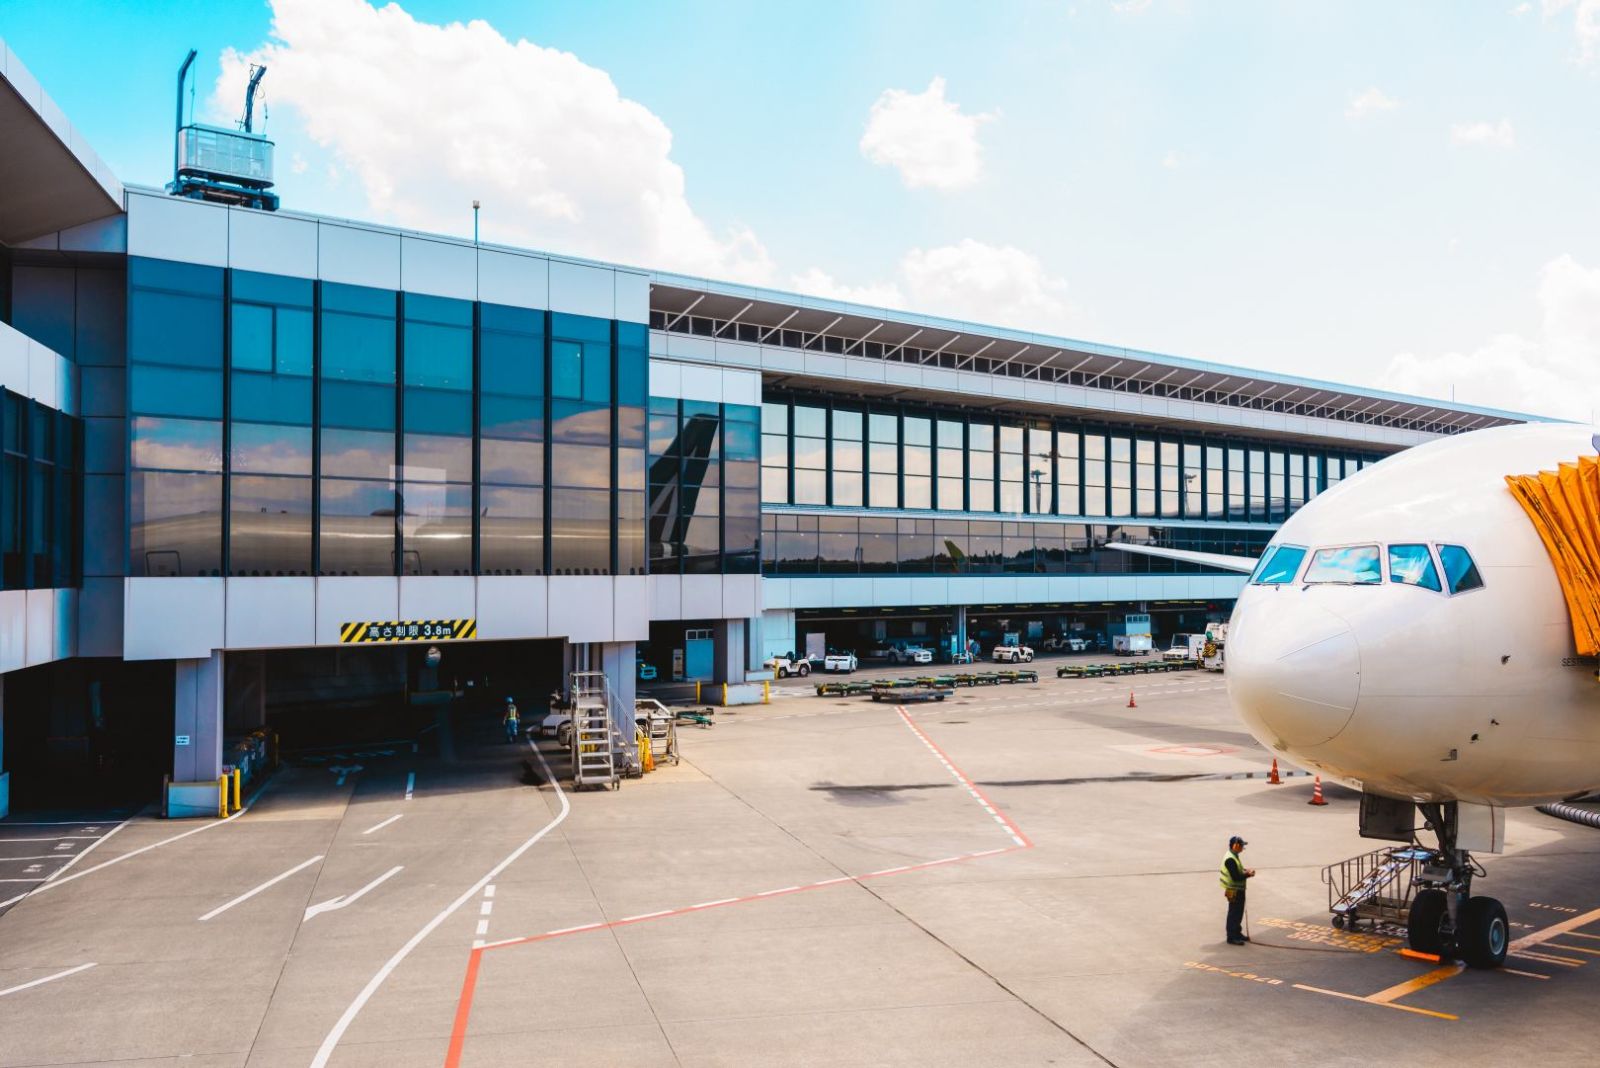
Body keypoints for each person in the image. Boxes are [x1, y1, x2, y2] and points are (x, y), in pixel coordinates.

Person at [1220, 835, 1255, 945]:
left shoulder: (1234, 855)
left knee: (1238, 912)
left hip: (1238, 889)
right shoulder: (1230, 859)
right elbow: (1235, 876)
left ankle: (1237, 932)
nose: (1242, 848)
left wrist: (1245, 870)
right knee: (1234, 913)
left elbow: (1237, 869)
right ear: (1235, 846)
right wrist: (1248, 875)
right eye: (1241, 846)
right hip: (1234, 889)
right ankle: (1231, 936)